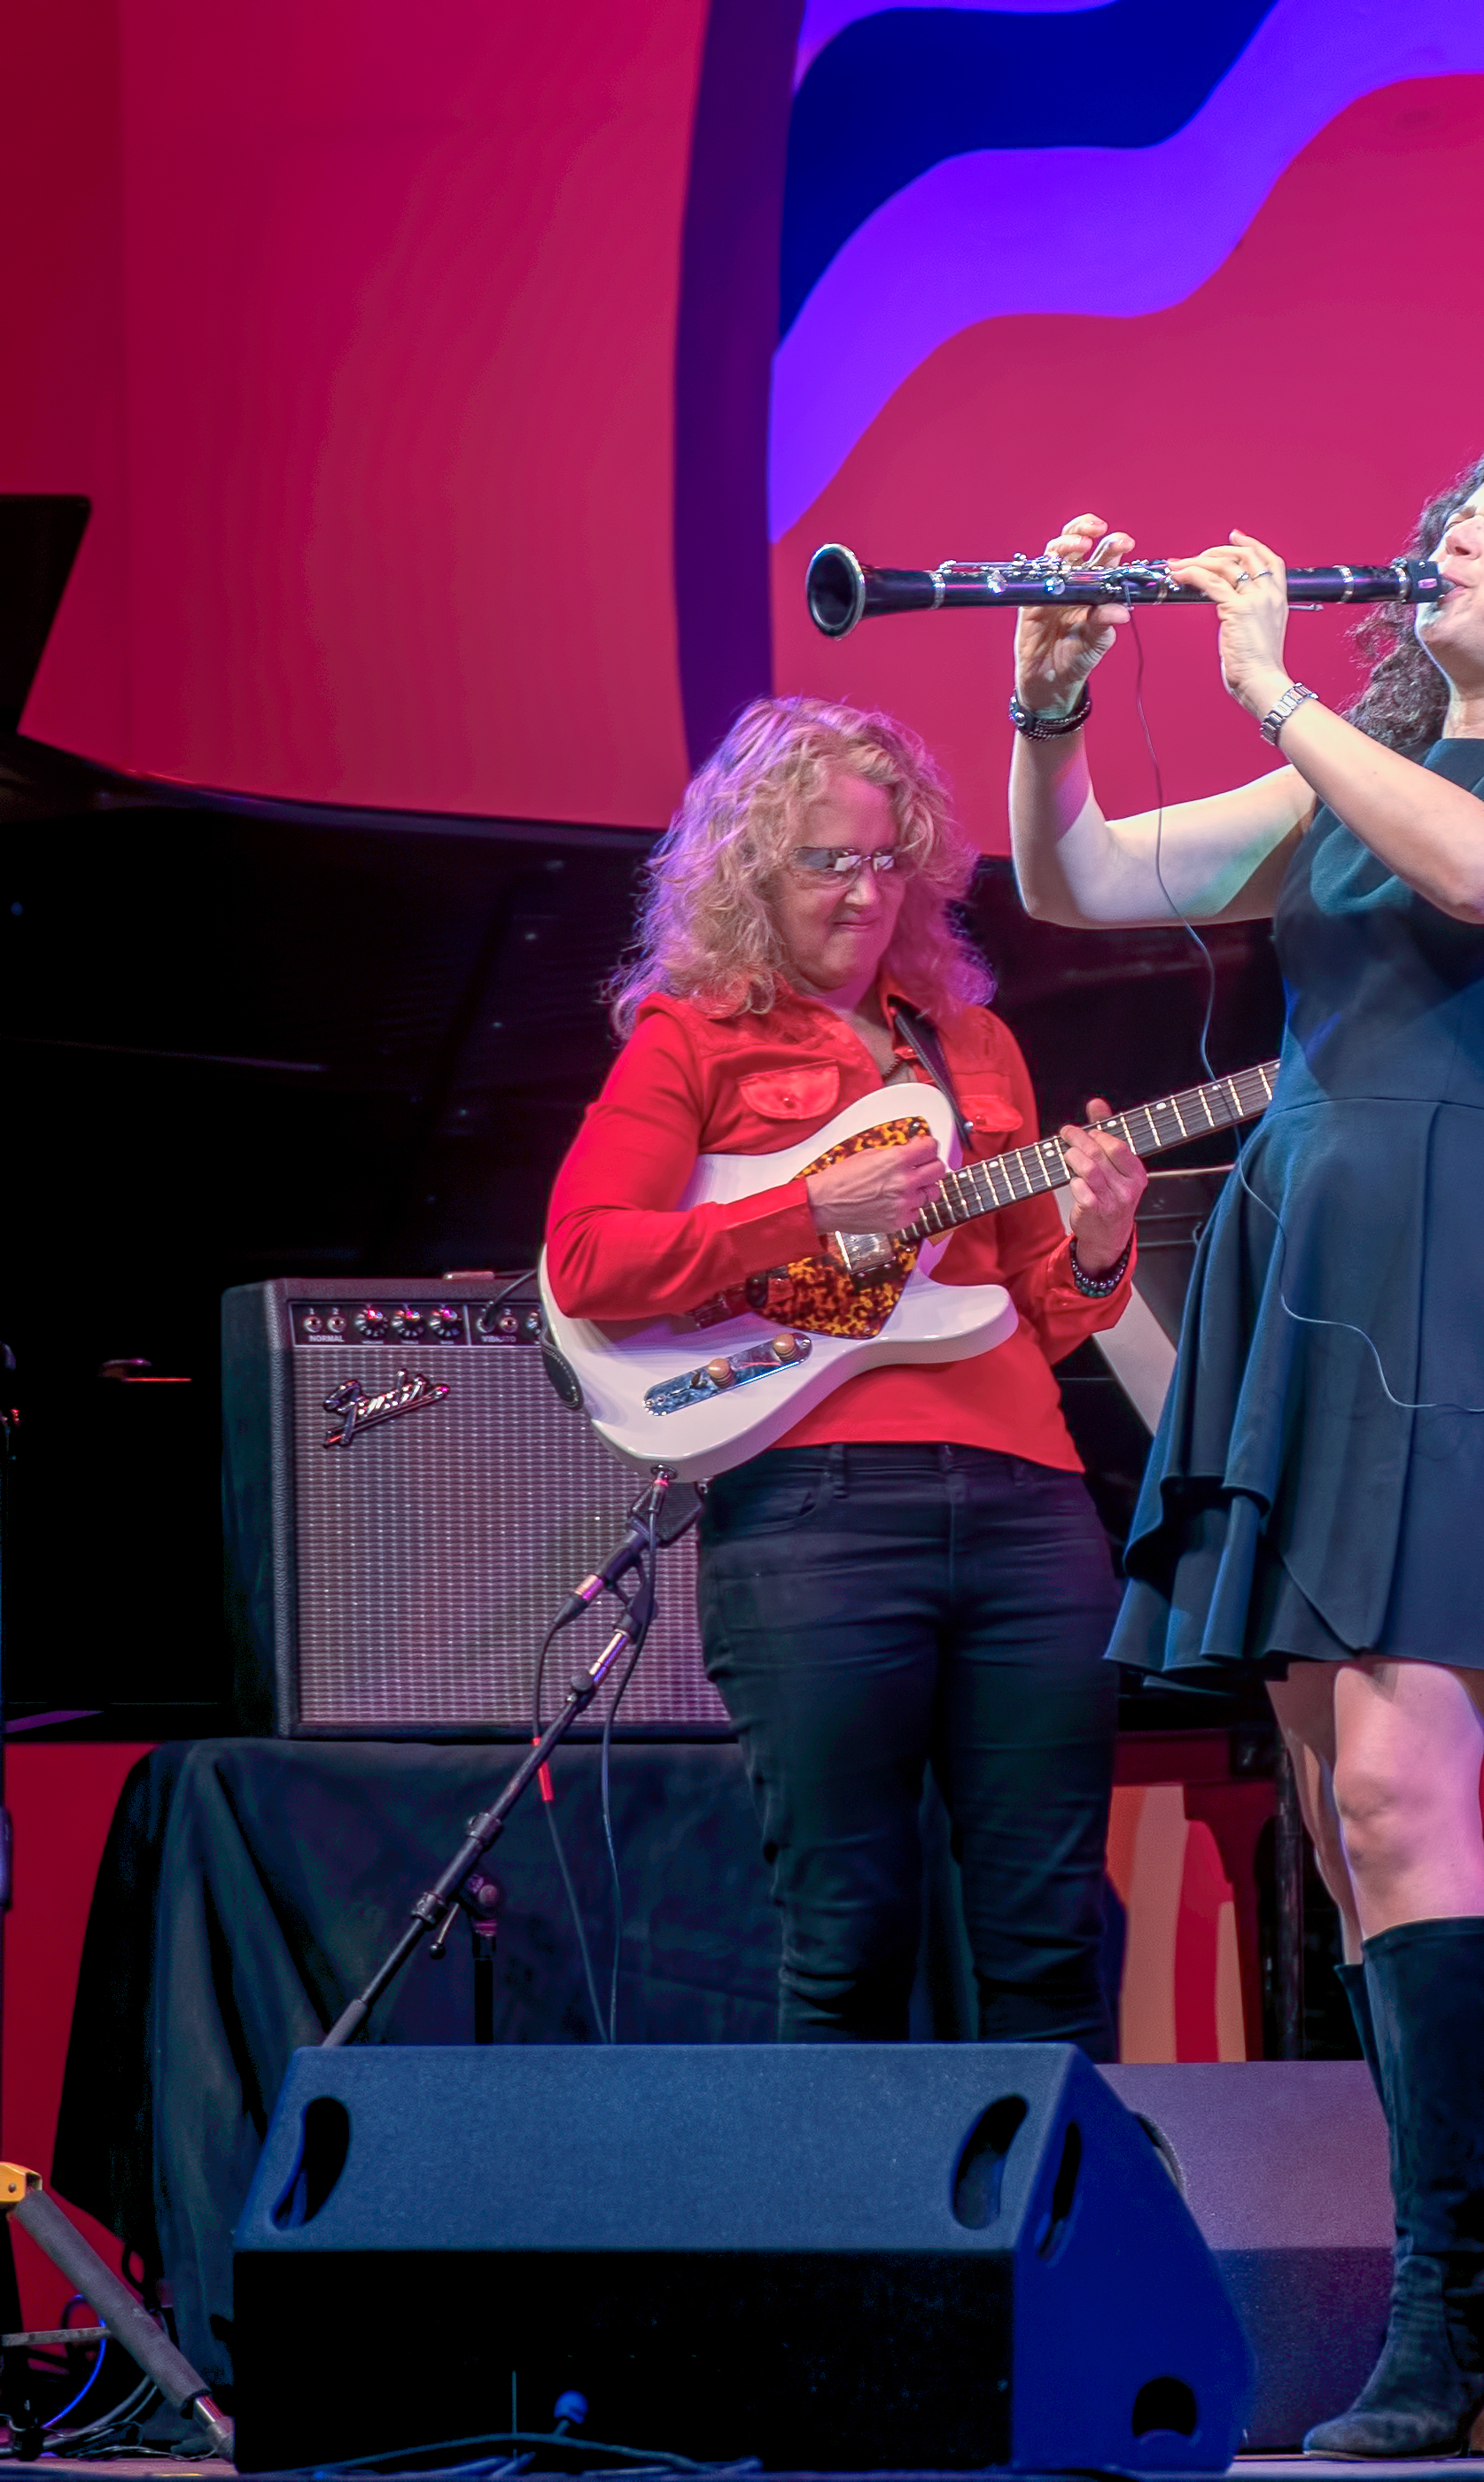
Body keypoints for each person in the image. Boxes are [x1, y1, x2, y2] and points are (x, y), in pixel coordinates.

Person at [1007, 440, 1484, 2454]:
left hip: (1458, 1267)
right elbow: (1079, 878)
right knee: (1344, 1820)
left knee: (1409, 1797)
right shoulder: (1359, 770)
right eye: (1448, 518)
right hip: (1308, 1243)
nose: (1448, 543)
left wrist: (1277, 691)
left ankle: (1448, 2314)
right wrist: (1050, 694)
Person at [545, 697, 1147, 2055]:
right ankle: (848, 2267)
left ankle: (1061, 2245)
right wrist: (818, 1210)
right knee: (847, 1936)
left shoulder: (973, 1044)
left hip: (1029, 1502)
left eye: (889, 863)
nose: (865, 893)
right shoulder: (691, 1038)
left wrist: (1100, 1245)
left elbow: (1035, 1312)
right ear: (753, 868)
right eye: (830, 861)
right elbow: (587, 1260)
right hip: (813, 1519)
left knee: (1051, 1935)